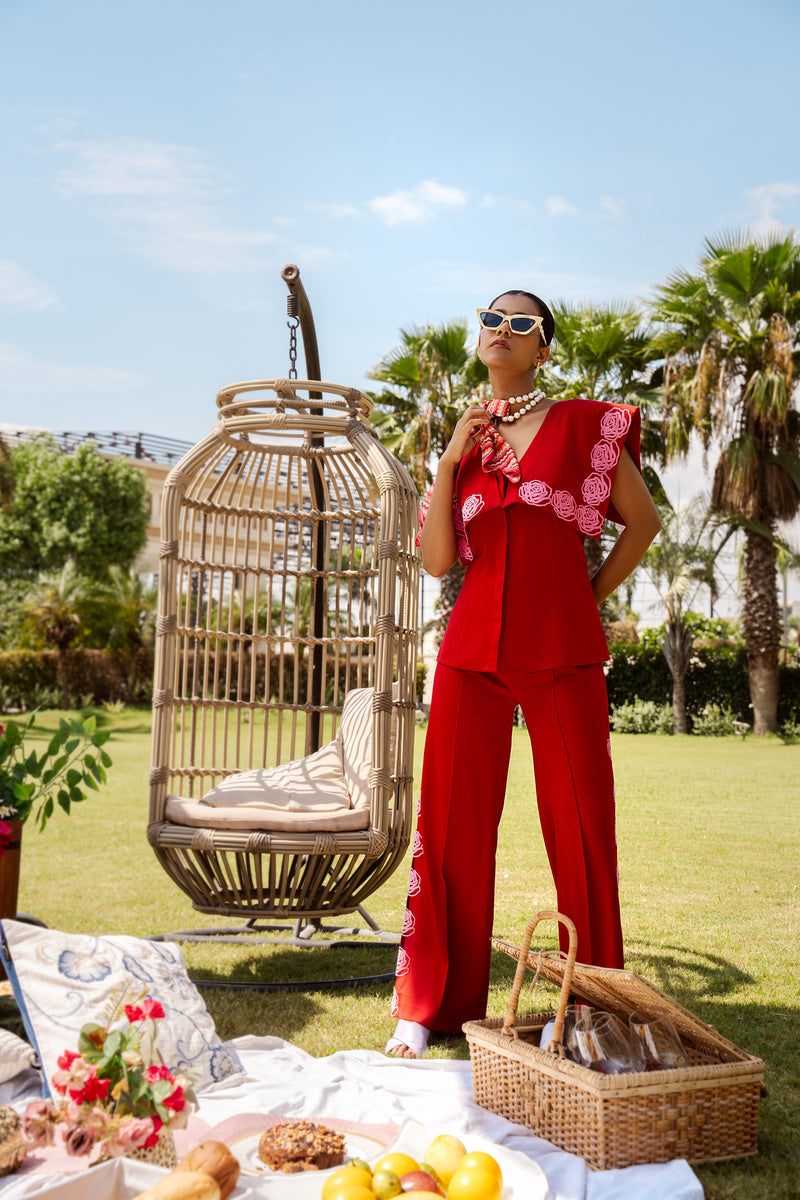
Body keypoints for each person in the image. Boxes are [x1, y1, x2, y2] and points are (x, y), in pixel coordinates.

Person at [386, 290, 662, 1058]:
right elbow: (438, 560)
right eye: (491, 319)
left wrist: (587, 596)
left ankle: (598, 1003)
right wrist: (447, 457)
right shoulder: (466, 441)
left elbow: (643, 525)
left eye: (521, 325)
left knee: (581, 828)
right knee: (448, 828)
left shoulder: (583, 424)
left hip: (562, 649)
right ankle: (431, 1002)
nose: (500, 331)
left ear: (544, 349)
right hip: (470, 650)